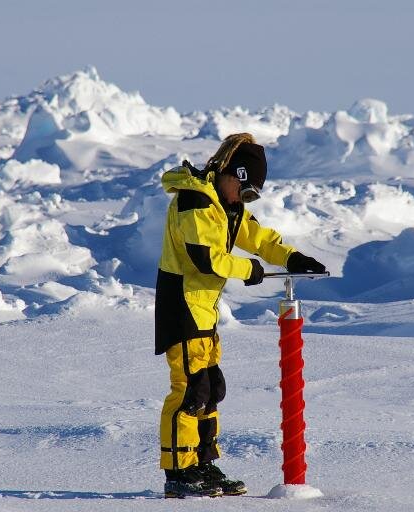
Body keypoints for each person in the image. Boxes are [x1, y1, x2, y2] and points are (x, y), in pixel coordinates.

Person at [155, 132, 326, 498]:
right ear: (231, 175)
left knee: (210, 389)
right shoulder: (195, 202)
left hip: (202, 309)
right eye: (244, 190)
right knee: (188, 390)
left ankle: (201, 463)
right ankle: (178, 472)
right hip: (181, 305)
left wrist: (292, 258)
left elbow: (258, 237)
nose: (244, 200)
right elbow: (205, 258)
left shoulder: (224, 205)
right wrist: (251, 271)